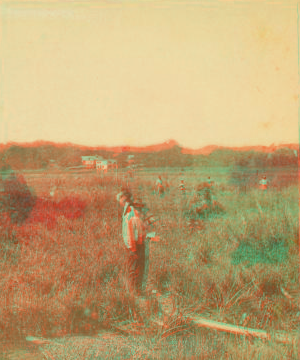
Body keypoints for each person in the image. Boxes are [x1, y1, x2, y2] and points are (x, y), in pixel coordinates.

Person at [116, 188, 148, 296]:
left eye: (120, 199)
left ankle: (136, 292)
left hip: (134, 245)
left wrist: (134, 247)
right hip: (131, 245)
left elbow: (136, 229)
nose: (119, 202)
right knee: (133, 268)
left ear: (124, 199)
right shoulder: (127, 210)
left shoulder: (131, 211)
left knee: (135, 268)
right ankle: (134, 291)